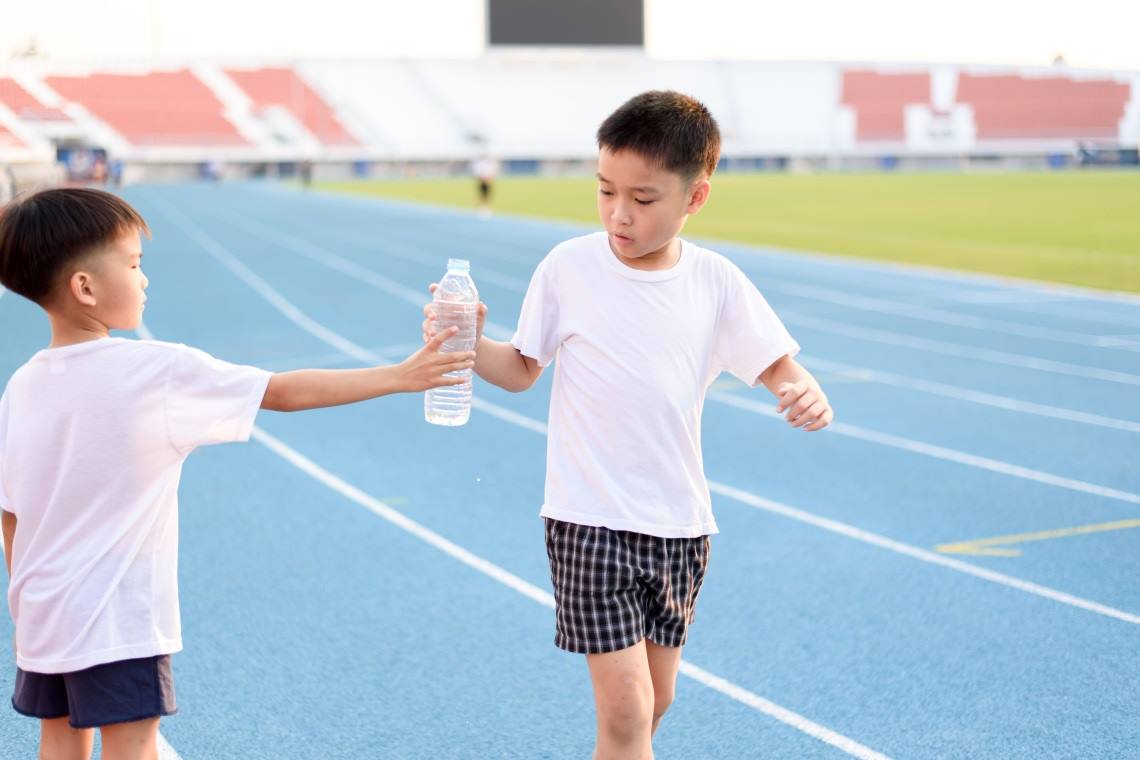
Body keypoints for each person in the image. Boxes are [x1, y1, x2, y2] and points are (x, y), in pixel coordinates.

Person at [425, 91, 834, 759]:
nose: (620, 213)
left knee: (655, 702)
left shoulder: (716, 282)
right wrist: (471, 342)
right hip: (588, 520)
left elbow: (779, 365)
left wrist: (803, 392)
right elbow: (522, 368)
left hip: (679, 526)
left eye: (643, 200)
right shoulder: (568, 268)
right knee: (626, 710)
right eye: (606, 190)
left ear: (694, 199)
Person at [0, 188, 474, 760]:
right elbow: (281, 392)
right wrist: (399, 376)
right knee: (134, 745)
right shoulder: (156, 372)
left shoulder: (22, 384)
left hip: (43, 610)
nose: (145, 278)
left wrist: (28, 603)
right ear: (85, 287)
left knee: (60, 739)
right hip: (117, 617)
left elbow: (12, 514)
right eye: (133, 264)